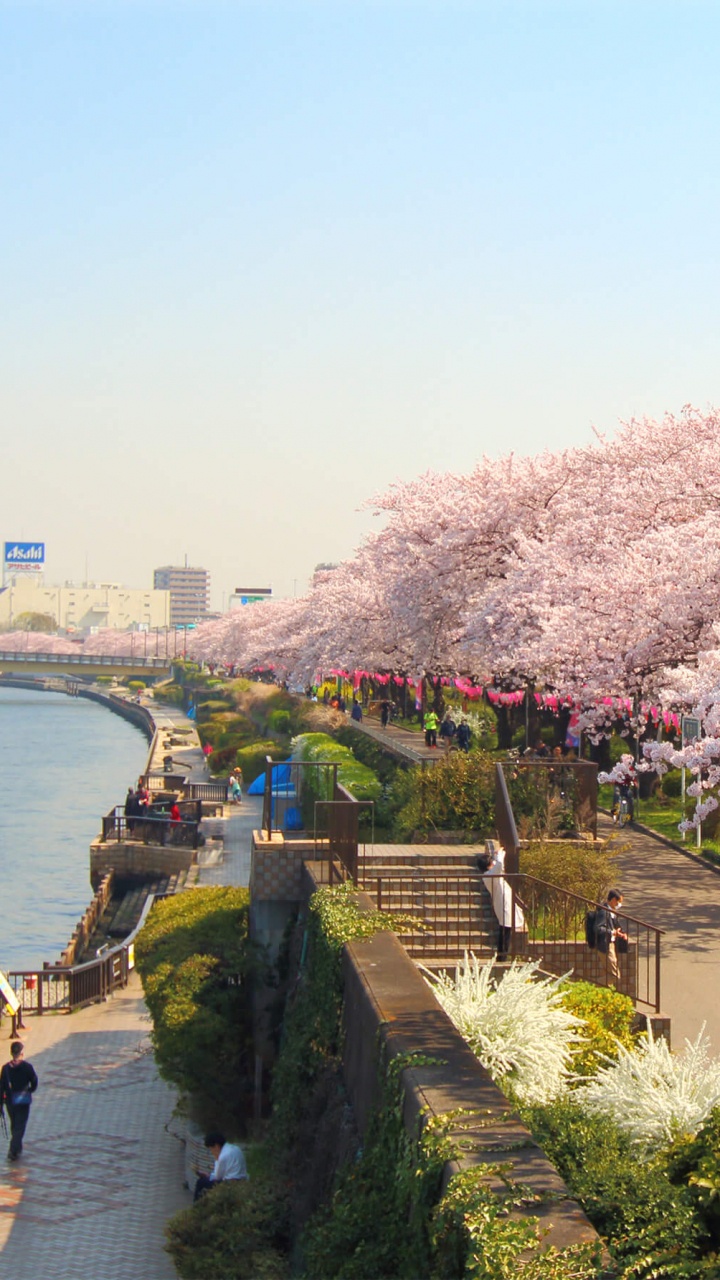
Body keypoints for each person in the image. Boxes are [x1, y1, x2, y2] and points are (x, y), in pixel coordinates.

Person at [480, 842, 525, 960]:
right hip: (503, 904)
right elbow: (499, 865)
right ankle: (502, 957)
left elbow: (497, 866)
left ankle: (502, 956)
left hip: (504, 903)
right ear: (488, 865)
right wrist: (501, 853)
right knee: (505, 931)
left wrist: (496, 855)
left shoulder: (489, 874)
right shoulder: (489, 875)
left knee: (505, 930)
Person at [0, 1042, 38, 1161]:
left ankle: (17, 1148)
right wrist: (31, 1090)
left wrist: (1, 1104)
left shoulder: (5, 1068)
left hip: (10, 1102)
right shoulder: (27, 1067)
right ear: (21, 1053)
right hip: (23, 1101)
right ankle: (13, 1150)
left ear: (11, 1053)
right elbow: (34, 1081)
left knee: (15, 1124)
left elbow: (1, 1088)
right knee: (20, 1126)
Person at [193, 1130, 249, 1202]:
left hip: (231, 1183)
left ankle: (196, 1205)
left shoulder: (222, 1156)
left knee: (201, 1182)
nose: (212, 1152)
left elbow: (217, 1177)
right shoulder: (235, 1148)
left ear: (216, 1146)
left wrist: (216, 1159)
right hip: (243, 1179)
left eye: (211, 1149)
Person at [595, 889, 628, 983]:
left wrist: (622, 933)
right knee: (614, 976)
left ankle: (601, 993)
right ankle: (591, 986)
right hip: (606, 946)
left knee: (607, 974)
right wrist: (612, 932)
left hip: (610, 944)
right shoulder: (604, 912)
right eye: (619, 902)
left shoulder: (611, 911)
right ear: (613, 900)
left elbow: (616, 925)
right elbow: (598, 928)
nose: (619, 905)